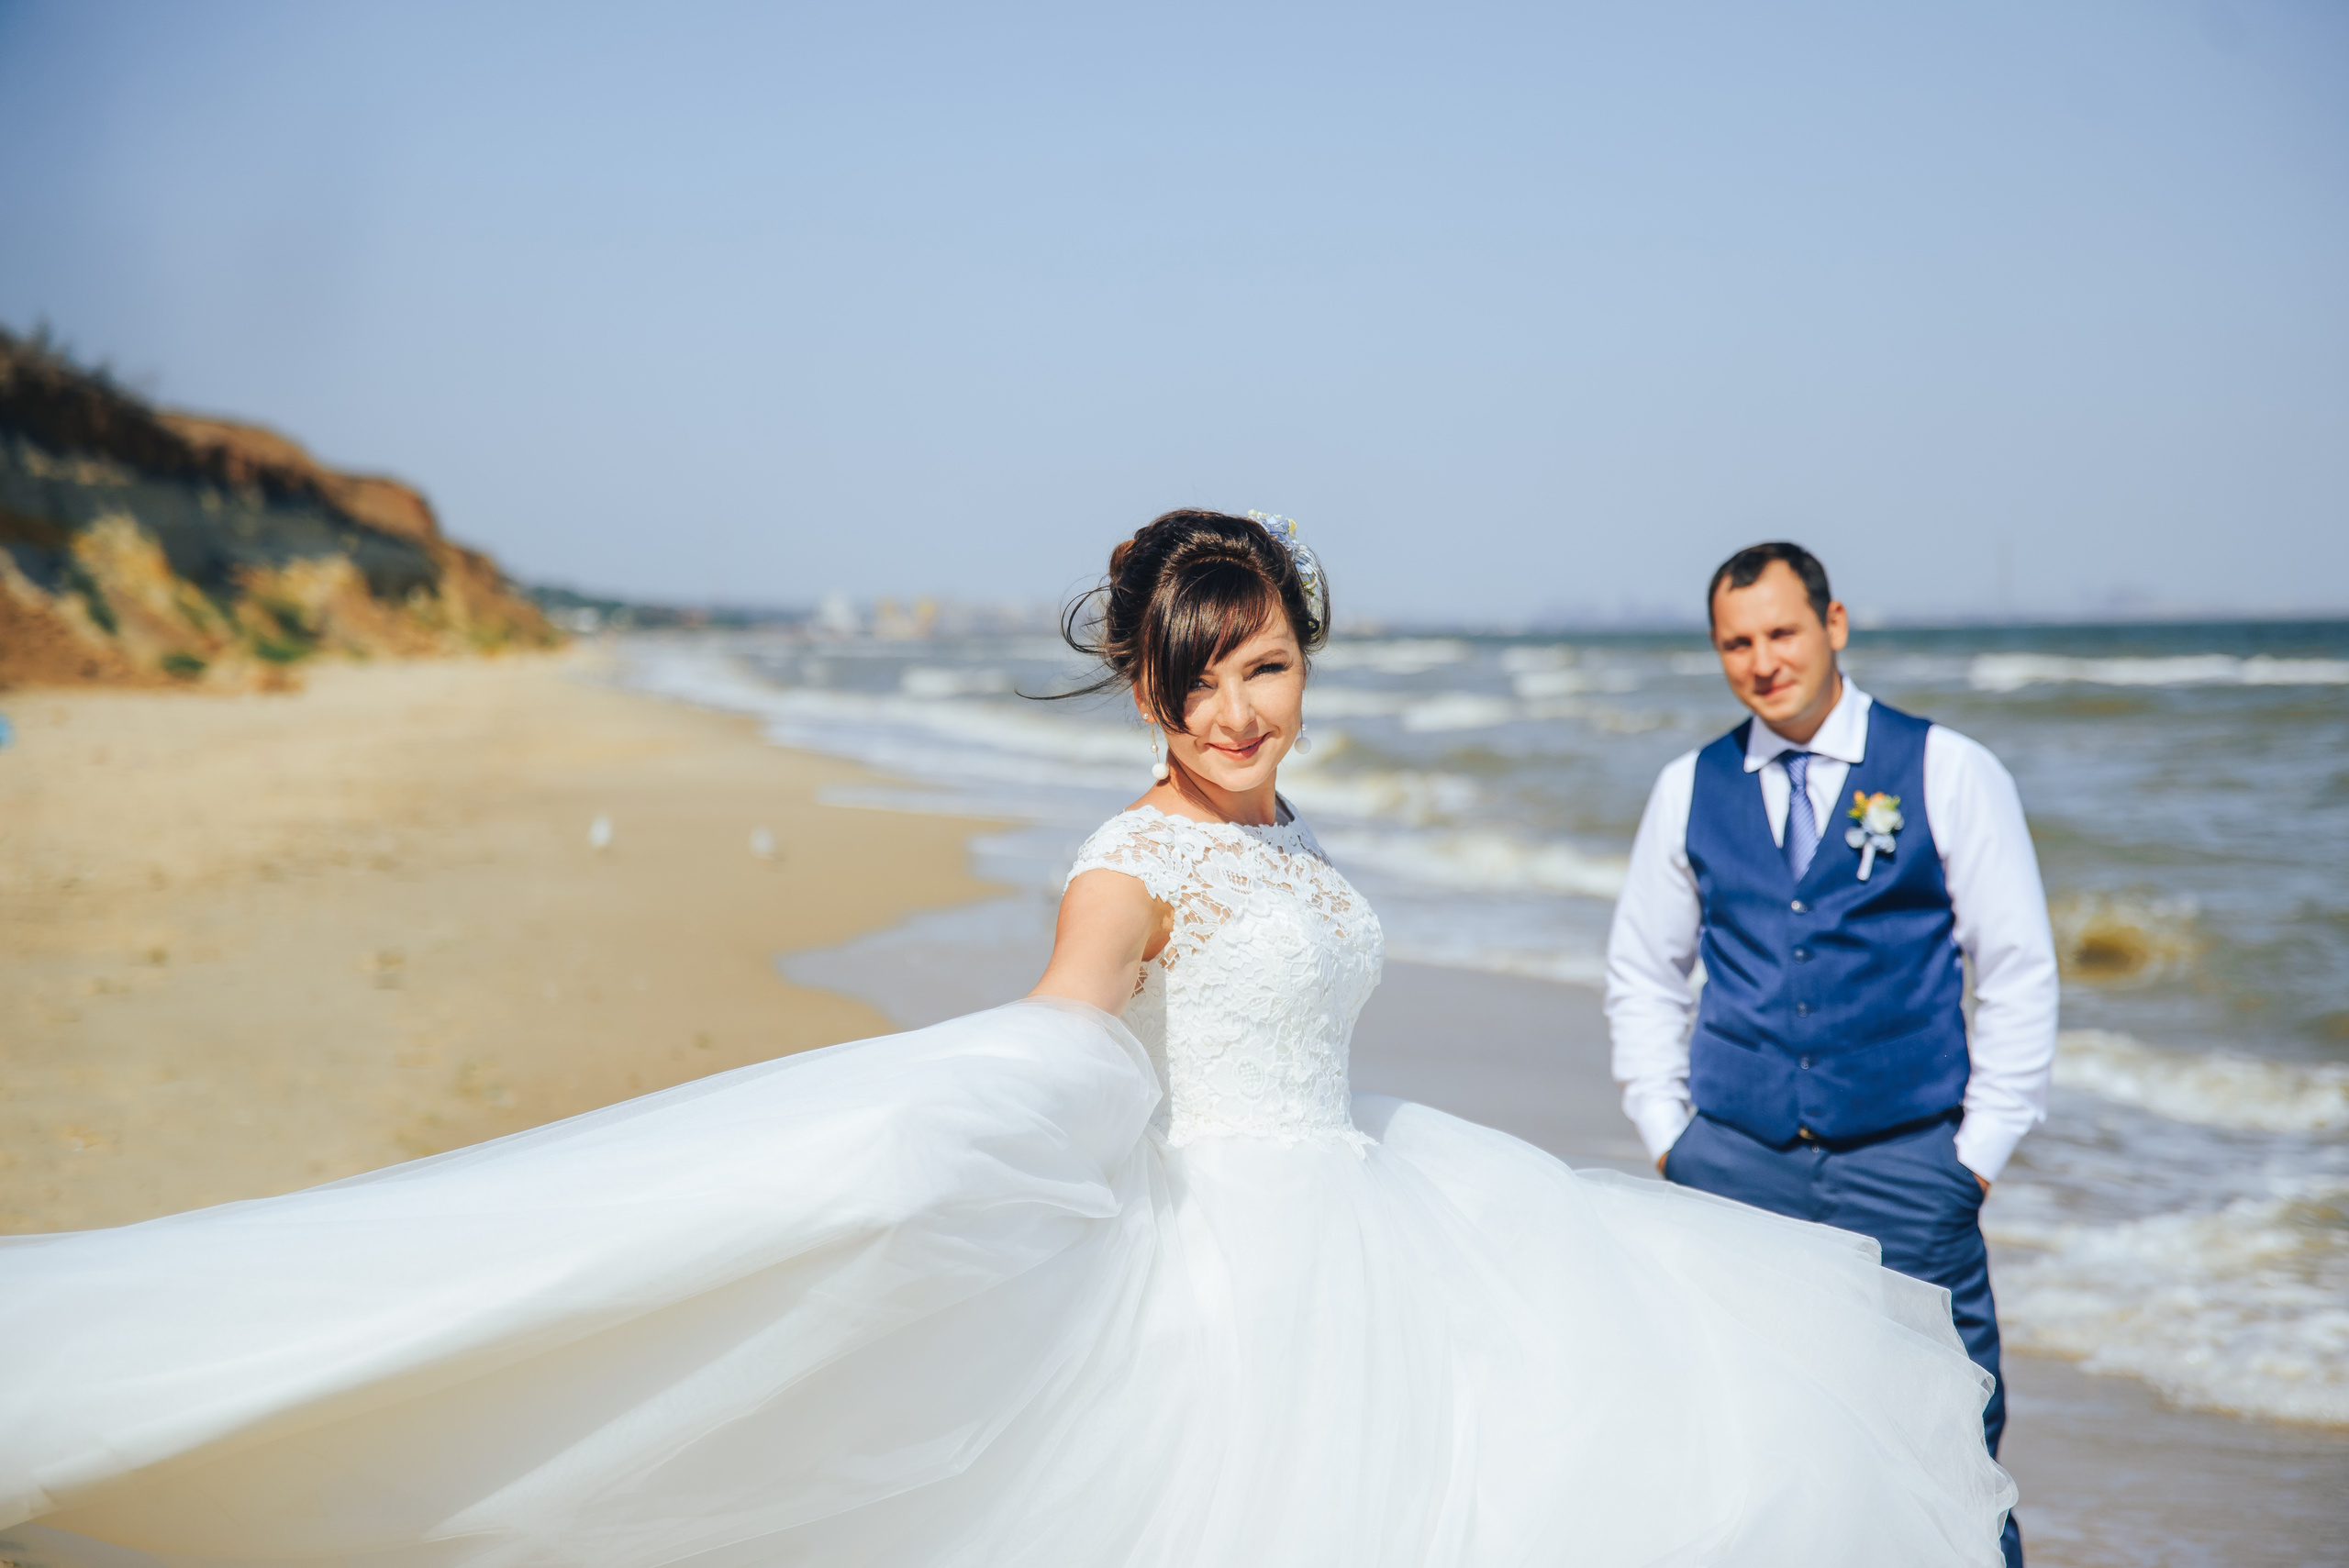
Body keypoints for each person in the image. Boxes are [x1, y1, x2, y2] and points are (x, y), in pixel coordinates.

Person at [0, 513, 2015, 1567]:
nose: (1241, 708)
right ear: (1145, 681)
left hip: (1381, 1206)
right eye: (1204, 676)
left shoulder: (1292, 833)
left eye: (1270, 668)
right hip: (1246, 1265)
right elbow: (1063, 1038)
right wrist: (910, 1146)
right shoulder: (1130, 856)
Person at [1605, 540, 2059, 1568]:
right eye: (1736, 642)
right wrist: (1670, 1133)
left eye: (1780, 632)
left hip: (1907, 1164)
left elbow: (2019, 968)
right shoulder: (1689, 786)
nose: (1762, 661)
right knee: (1754, 1441)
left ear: (1834, 624)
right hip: (1732, 1164)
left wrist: (1971, 1157)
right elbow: (1643, 969)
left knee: (1947, 1444)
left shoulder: (1947, 767)